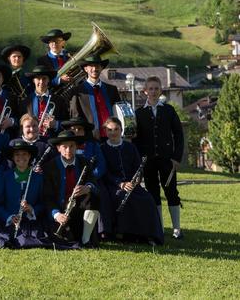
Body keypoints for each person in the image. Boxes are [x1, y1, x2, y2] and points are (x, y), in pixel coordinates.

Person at [134, 76, 185, 239]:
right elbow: (136, 139)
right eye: (150, 88)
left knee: (171, 191)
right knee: (153, 193)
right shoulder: (139, 113)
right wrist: (139, 160)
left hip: (167, 159)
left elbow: (178, 134)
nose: (153, 91)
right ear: (145, 91)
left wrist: (176, 158)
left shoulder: (169, 110)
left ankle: (176, 229)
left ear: (161, 90)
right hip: (147, 161)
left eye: (156, 88)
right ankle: (159, 228)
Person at [99, 117, 164, 245]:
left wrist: (135, 182)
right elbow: (104, 172)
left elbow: (138, 168)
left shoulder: (130, 147)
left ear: (121, 130)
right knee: (122, 197)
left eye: (116, 129)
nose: (113, 132)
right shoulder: (102, 149)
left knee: (147, 199)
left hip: (132, 184)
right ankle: (125, 234)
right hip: (112, 185)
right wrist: (120, 183)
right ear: (105, 132)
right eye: (110, 130)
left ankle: (150, 235)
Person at [42, 130, 100, 248]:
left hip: (79, 208)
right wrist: (57, 214)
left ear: (76, 147)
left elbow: (93, 182)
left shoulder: (84, 162)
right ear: (58, 148)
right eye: (64, 147)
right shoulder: (50, 167)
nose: (68, 150)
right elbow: (48, 196)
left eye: (72, 146)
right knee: (64, 239)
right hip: (60, 210)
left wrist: (87, 187)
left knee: (94, 197)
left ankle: (86, 239)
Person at [0, 140, 46, 248]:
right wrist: (9, 217)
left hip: (31, 224)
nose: (21, 157)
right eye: (17, 154)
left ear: (30, 156)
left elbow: (43, 203)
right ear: (12, 157)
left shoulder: (38, 178)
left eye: (24, 154)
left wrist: (32, 210)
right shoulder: (3, 177)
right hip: (8, 224)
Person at [69, 54, 121, 139]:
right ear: (86, 69)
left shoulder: (112, 90)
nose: (94, 69)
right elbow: (76, 117)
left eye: (97, 66)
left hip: (111, 136)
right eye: (91, 66)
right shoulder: (77, 91)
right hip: (89, 137)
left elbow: (118, 113)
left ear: (101, 68)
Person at [19, 65, 68, 140]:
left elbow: (67, 122)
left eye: (44, 78)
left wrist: (56, 124)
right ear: (33, 80)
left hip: (53, 140)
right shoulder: (25, 102)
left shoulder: (59, 100)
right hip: (32, 141)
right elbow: (20, 125)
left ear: (49, 80)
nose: (41, 82)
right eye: (38, 79)